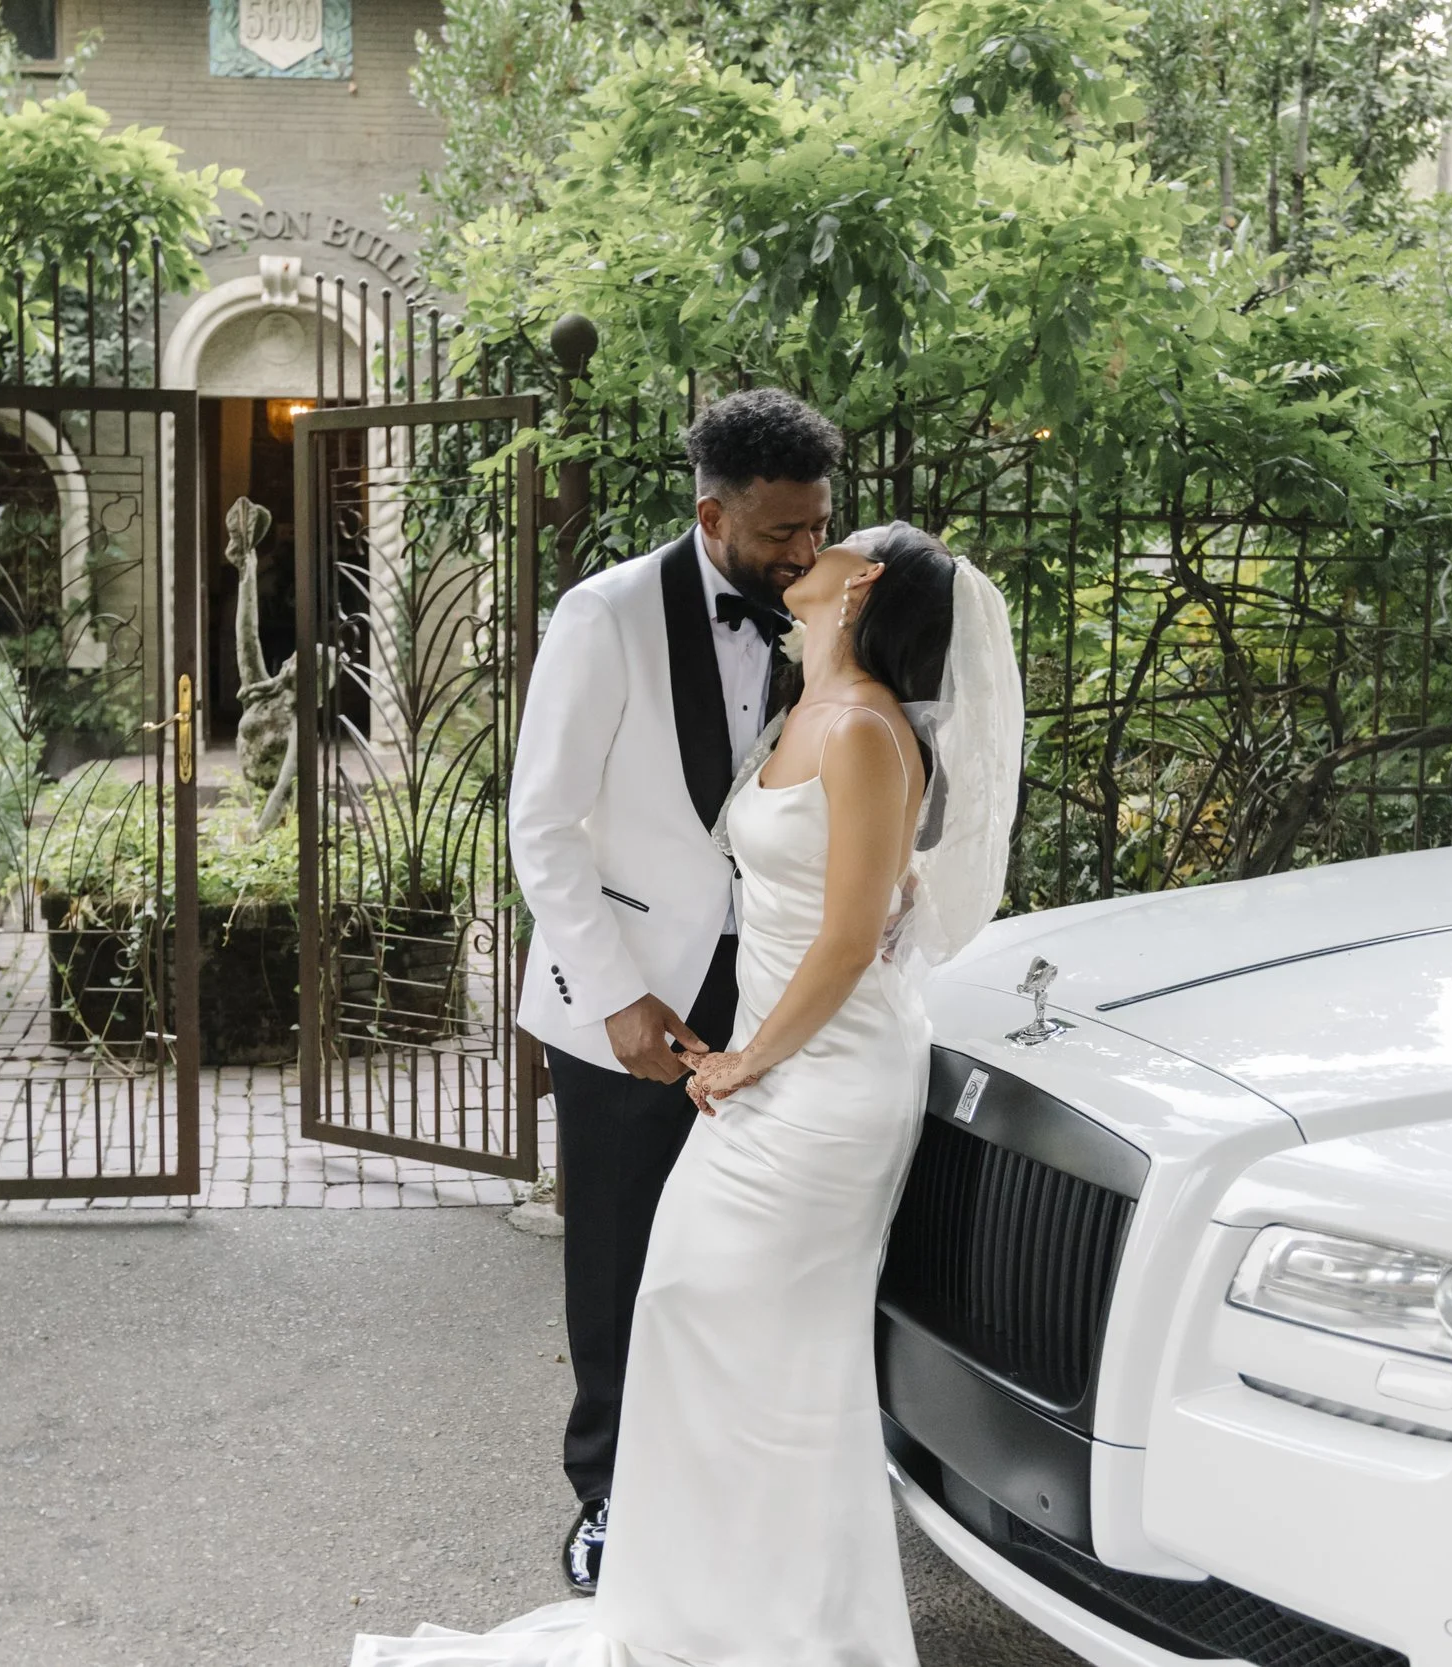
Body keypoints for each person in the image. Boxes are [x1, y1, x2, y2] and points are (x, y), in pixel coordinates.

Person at [350, 517, 1025, 1667]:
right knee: (696, 1312)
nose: (807, 542)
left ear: (859, 584)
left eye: (830, 536)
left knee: (757, 1331)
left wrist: (747, 1058)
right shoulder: (814, 705)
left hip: (818, 1082)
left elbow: (854, 935)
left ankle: (781, 1622)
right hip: (772, 1063)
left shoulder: (862, 729)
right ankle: (706, 1603)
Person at [505, 389, 844, 1594]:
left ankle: (721, 1485)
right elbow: (540, 826)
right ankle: (606, 1496)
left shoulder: (824, 609)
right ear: (712, 514)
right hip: (630, 999)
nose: (803, 554)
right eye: (777, 536)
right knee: (617, 1255)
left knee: (736, 1258)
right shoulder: (601, 617)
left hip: (770, 999)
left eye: (816, 526)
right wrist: (613, 996)